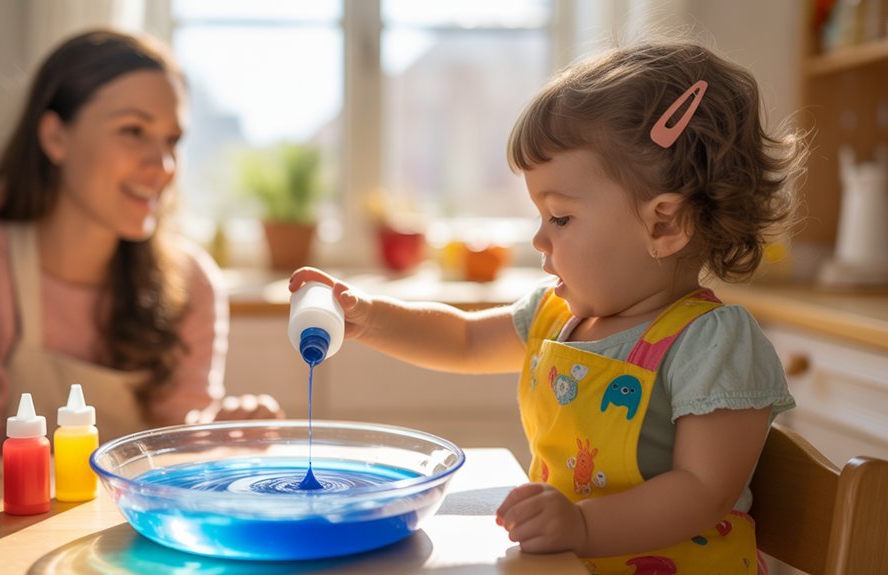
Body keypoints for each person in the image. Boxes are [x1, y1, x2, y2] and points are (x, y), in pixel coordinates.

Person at [289, 41, 807, 574]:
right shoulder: (557, 316)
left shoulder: (712, 342)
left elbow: (702, 491)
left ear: (664, 225)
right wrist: (371, 316)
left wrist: (581, 526)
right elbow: (464, 340)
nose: (540, 238)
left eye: (559, 217)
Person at [0, 29, 282, 455]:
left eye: (172, 140)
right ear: (55, 137)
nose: (162, 165)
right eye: (133, 130)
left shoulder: (192, 282)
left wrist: (215, 433)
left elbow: (178, 456)